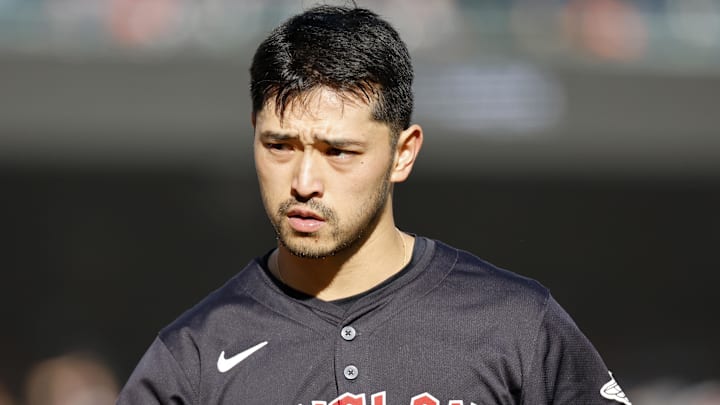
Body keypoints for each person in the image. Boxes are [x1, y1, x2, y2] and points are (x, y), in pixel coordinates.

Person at [117, 5, 631, 405]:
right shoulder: (195, 355)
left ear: (402, 154)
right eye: (279, 146)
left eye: (338, 151)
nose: (303, 181)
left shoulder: (515, 324)